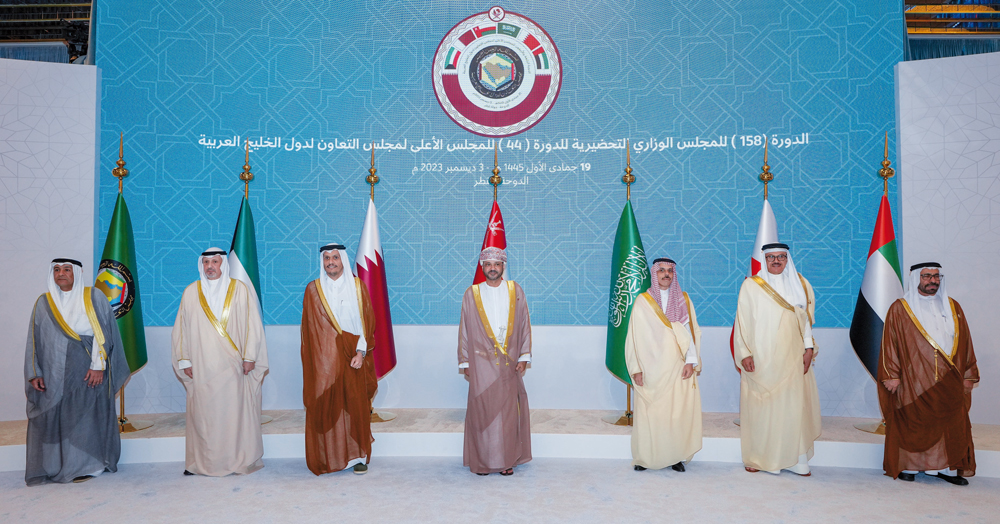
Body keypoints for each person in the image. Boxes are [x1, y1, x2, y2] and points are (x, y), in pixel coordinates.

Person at [24, 258, 129, 485]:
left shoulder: (93, 297)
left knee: (85, 419)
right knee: (58, 419)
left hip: (87, 373)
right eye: (57, 269)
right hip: (54, 375)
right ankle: (56, 466)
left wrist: (98, 367)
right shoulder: (43, 302)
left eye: (67, 269)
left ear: (77, 273)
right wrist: (35, 372)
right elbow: (34, 339)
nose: (61, 273)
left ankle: (89, 465)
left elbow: (104, 335)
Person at [879, 262, 979, 485]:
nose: (932, 281)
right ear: (916, 279)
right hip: (913, 378)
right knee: (913, 420)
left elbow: (965, 343)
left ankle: (945, 468)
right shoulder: (900, 308)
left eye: (936, 277)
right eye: (926, 276)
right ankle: (910, 466)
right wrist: (891, 374)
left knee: (949, 422)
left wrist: (969, 373)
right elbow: (890, 344)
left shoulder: (953, 307)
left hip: (949, 378)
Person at [171, 248, 268, 476]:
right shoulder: (190, 292)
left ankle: (237, 461)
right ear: (201, 265)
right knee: (204, 417)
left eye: (215, 261)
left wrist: (249, 357)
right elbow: (181, 330)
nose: (210, 266)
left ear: (223, 264)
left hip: (233, 368)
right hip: (202, 366)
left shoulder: (240, 290)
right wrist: (184, 360)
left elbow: (252, 326)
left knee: (233, 416)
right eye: (206, 262)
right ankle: (201, 463)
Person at [733, 242, 821, 475]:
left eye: (781, 256)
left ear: (787, 259)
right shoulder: (751, 286)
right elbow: (742, 322)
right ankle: (759, 457)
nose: (776, 261)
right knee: (762, 406)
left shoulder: (800, 285)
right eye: (771, 257)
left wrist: (809, 349)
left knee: (793, 407)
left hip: (793, 356)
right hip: (761, 357)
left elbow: (806, 322)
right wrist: (745, 353)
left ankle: (796, 458)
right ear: (764, 260)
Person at [300, 243, 377, 475]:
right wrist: (320, 361)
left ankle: (357, 457)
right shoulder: (313, 290)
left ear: (342, 260)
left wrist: (361, 353)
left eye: (335, 257)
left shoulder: (357, 287)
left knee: (355, 406)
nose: (331, 262)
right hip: (324, 361)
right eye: (326, 258)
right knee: (326, 407)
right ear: (322, 262)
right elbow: (309, 330)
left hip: (352, 356)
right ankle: (327, 456)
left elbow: (367, 324)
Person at [457, 247, 532, 475]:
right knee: (483, 412)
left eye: (496, 264)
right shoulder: (472, 293)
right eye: (488, 264)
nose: (492, 268)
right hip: (481, 364)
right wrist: (465, 361)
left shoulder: (515, 290)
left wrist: (524, 356)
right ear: (482, 267)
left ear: (503, 267)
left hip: (508, 361)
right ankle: (482, 462)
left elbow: (524, 324)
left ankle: (506, 461)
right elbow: (464, 330)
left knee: (508, 414)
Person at [625, 257, 702, 472]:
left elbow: (690, 333)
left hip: (676, 368)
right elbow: (632, 337)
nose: (666, 274)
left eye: (670, 271)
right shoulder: (643, 301)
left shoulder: (683, 300)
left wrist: (690, 361)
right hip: (650, 369)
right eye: (662, 271)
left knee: (674, 414)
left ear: (674, 274)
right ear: (654, 273)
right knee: (649, 413)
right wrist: (636, 368)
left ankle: (674, 456)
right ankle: (644, 457)